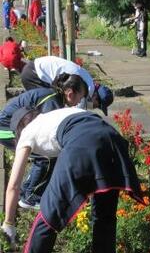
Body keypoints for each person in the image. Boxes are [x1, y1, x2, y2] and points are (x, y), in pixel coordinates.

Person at [1, 107, 143, 253]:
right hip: (112, 139)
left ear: (19, 130)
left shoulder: (27, 132)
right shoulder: (56, 114)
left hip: (81, 143)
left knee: (47, 217)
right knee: (105, 216)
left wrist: (8, 223)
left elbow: (13, 186)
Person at [0, 74, 88, 209]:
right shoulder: (52, 102)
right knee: (45, 157)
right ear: (70, 93)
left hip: (13, 125)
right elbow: (44, 134)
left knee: (46, 154)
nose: (79, 102)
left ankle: (25, 192)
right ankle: (30, 198)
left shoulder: (55, 97)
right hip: (6, 129)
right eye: (80, 98)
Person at [19, 55, 113, 114]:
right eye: (96, 106)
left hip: (34, 68)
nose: (94, 108)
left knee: (53, 107)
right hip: (35, 74)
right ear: (96, 97)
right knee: (48, 111)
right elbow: (77, 113)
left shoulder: (88, 81)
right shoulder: (88, 89)